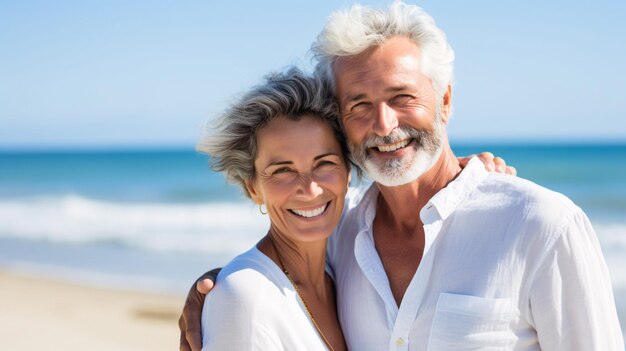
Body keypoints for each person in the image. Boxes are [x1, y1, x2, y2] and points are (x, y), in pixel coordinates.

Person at [182, 2, 624, 350]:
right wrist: (223, 292)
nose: (384, 124)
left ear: (445, 100)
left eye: (402, 96)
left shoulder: (542, 226)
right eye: (358, 105)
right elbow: (278, 286)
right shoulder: (339, 233)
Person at [196, 68, 349, 350]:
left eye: (325, 163)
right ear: (253, 188)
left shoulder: (346, 270)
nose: (310, 188)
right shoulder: (245, 298)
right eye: (282, 170)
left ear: (347, 172)